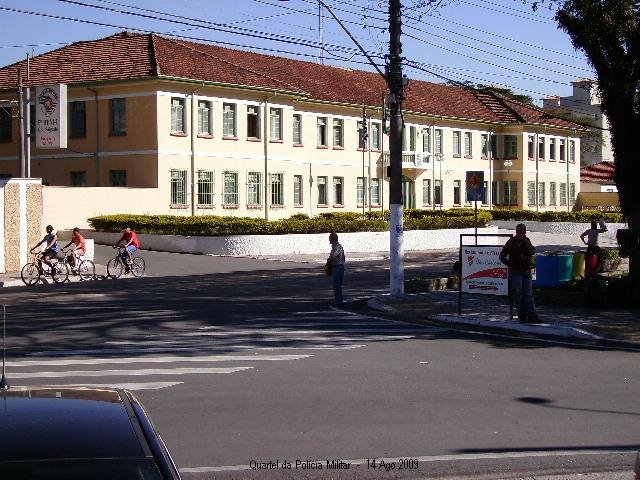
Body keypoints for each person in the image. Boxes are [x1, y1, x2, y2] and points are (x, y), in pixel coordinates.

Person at [499, 223, 538, 323]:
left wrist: (525, 242)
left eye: (524, 230)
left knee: (528, 294)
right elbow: (502, 256)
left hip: (526, 271)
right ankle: (522, 315)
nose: (523, 232)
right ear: (517, 231)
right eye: (520, 230)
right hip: (516, 272)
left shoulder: (527, 240)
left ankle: (531, 314)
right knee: (518, 294)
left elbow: (532, 251)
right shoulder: (512, 241)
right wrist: (510, 264)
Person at [327, 232, 345, 307]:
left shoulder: (337, 247)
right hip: (337, 267)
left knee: (336, 285)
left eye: (330, 238)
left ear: (334, 239)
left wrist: (329, 260)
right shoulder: (336, 246)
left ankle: (339, 302)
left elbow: (333, 256)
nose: (329, 240)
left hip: (338, 267)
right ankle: (338, 300)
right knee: (337, 285)